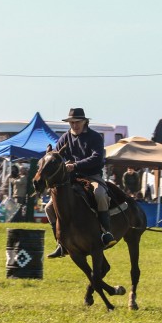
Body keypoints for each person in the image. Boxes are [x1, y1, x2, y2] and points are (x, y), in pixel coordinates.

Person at [46, 107, 114, 258]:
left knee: (100, 194)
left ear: (85, 121)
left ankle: (106, 233)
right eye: (71, 122)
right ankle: (61, 244)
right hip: (71, 179)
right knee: (49, 208)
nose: (74, 125)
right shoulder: (64, 138)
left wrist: (75, 165)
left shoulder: (95, 137)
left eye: (77, 122)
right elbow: (58, 157)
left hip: (92, 176)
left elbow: (97, 157)